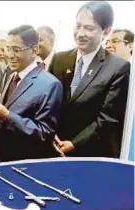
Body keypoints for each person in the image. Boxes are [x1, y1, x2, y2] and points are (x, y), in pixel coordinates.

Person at [49, 1, 130, 158]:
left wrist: (74, 144)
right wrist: (51, 134)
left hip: (91, 153)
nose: (80, 33)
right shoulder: (59, 59)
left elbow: (108, 119)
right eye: (78, 26)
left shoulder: (118, 68)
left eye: (89, 28)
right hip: (53, 148)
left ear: (106, 32)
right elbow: (48, 104)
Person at [0, 25, 62, 163]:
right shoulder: (11, 76)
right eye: (8, 49)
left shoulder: (50, 84)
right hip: (0, 159)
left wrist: (6, 115)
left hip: (24, 164)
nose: (10, 55)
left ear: (34, 50)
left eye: (16, 50)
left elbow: (44, 134)